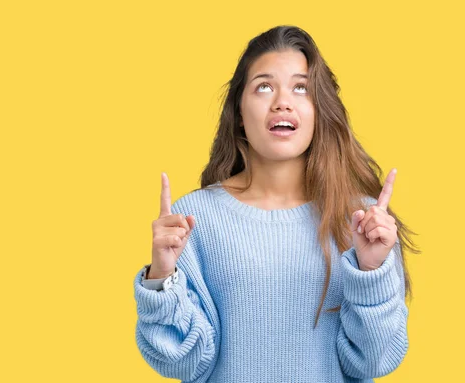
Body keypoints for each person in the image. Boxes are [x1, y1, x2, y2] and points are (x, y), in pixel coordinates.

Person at [133, 25, 419, 383]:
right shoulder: (194, 220)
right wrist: (161, 279)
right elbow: (182, 363)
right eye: (264, 86)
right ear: (239, 111)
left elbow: (373, 364)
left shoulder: (362, 222)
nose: (282, 101)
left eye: (301, 88)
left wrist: (371, 272)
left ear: (319, 110)